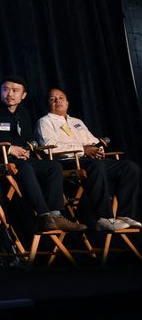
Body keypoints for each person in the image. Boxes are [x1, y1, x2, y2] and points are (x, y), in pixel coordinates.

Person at [0, 76, 87, 233]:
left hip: (20, 158)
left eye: (15, 90)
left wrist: (28, 148)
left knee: (53, 166)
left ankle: (56, 214)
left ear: (23, 95)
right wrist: (9, 149)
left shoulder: (23, 113)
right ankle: (43, 215)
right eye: (5, 89)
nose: (10, 94)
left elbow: (31, 139)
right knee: (25, 168)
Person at [36, 88, 141, 232]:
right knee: (95, 165)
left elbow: (93, 141)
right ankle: (104, 218)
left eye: (61, 98)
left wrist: (98, 150)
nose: (57, 101)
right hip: (66, 162)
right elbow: (50, 148)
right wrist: (82, 149)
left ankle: (124, 215)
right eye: (53, 99)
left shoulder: (76, 122)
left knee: (129, 167)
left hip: (88, 160)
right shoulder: (45, 122)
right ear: (48, 103)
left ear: (67, 103)